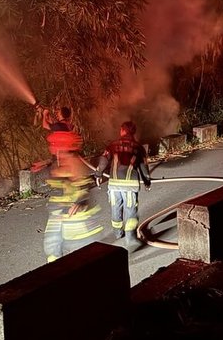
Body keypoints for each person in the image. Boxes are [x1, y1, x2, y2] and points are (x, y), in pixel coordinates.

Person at [37, 105, 103, 262]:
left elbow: (46, 125)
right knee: (54, 247)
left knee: (70, 250)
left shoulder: (69, 159)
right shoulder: (68, 127)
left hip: (75, 225)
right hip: (61, 213)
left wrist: (44, 113)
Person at [94, 121, 152, 252]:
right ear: (133, 132)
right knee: (130, 210)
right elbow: (144, 167)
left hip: (114, 184)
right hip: (130, 185)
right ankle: (130, 237)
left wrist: (98, 175)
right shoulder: (139, 148)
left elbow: (103, 160)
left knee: (116, 208)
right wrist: (147, 181)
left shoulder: (112, 145)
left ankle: (118, 233)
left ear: (122, 131)